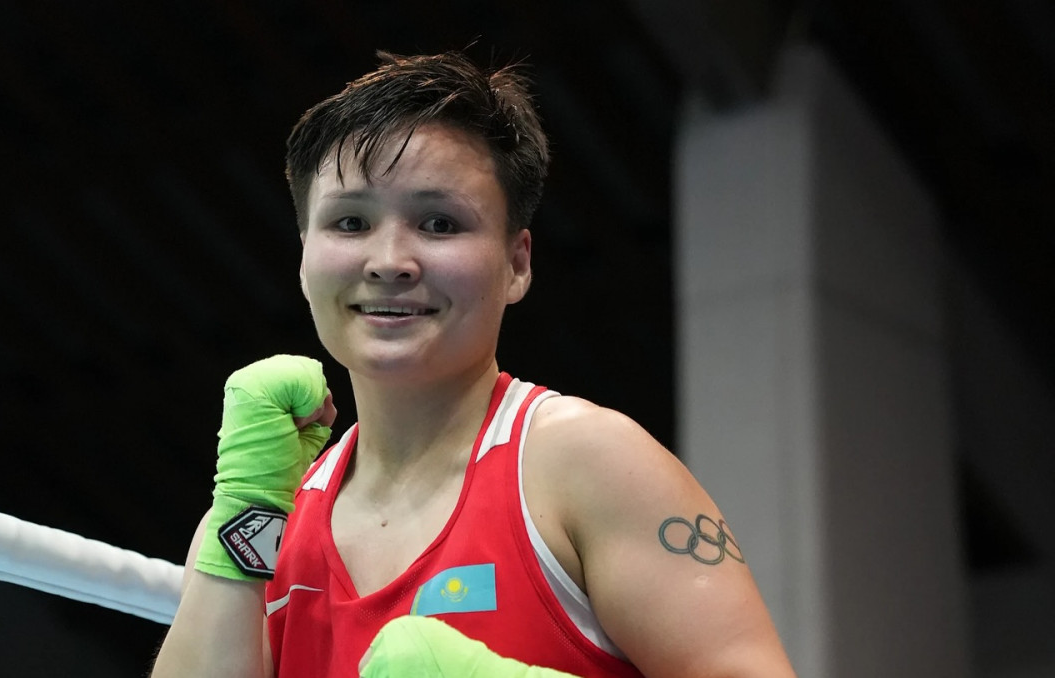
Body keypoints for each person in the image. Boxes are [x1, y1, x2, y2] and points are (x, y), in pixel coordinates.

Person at [152, 51, 797, 677]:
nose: (389, 261)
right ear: (303, 257)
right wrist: (245, 509)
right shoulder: (264, 518)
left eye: (439, 223)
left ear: (516, 263)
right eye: (350, 223)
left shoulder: (586, 464)